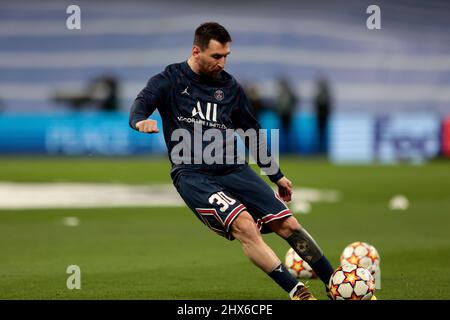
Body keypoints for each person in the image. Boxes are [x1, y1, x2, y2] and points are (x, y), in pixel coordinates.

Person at [129, 22, 335, 300]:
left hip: (234, 167)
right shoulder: (170, 79)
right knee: (245, 225)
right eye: (216, 56)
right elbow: (143, 101)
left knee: (287, 224)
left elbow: (251, 132)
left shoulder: (229, 87)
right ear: (196, 51)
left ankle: (334, 283)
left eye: (226, 56)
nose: (222, 63)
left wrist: (276, 176)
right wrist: (139, 120)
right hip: (193, 175)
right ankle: (298, 292)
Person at [314, 77, 332, 154]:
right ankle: (320, 149)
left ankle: (324, 150)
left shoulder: (326, 94)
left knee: (324, 133)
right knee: (320, 133)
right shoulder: (321, 94)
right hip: (320, 116)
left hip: (324, 116)